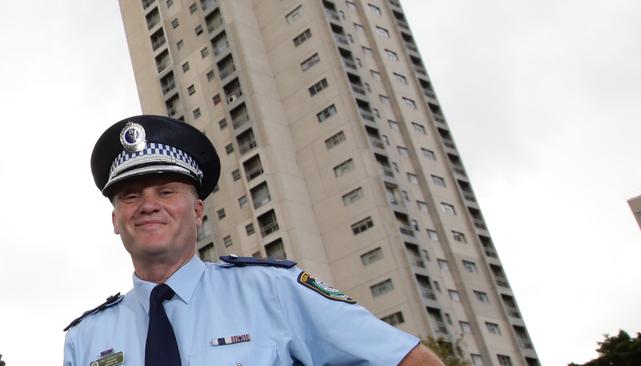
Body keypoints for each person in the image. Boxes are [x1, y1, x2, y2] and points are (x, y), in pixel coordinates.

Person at [63, 115, 444, 365]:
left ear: (197, 212)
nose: (148, 206)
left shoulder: (272, 291)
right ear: (117, 220)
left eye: (165, 192)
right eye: (131, 196)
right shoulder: (87, 338)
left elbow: (412, 360)